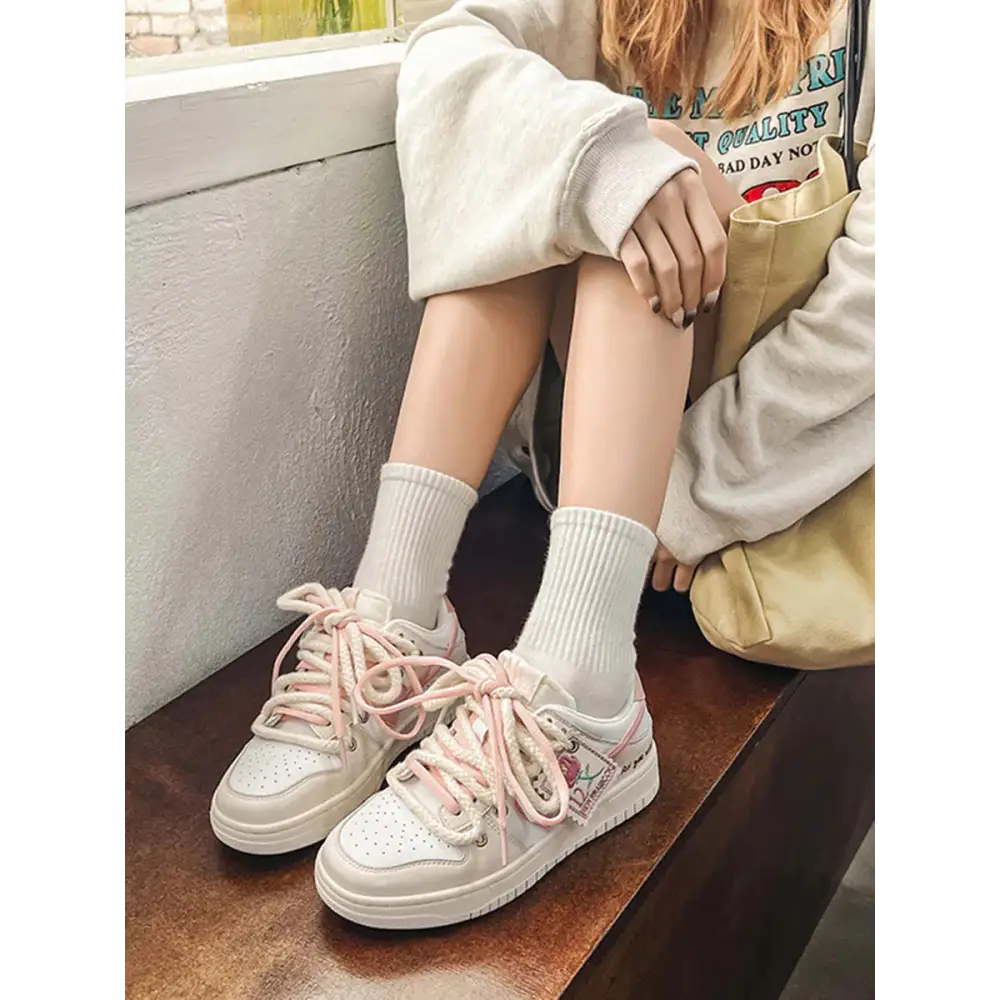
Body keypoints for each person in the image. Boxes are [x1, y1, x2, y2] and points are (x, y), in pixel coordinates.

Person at [211, 0, 879, 929]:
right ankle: (397, 614)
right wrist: (600, 160)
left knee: (659, 168)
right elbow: (446, 49)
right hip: (601, 484)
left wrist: (693, 488)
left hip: (772, 486)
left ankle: (588, 704)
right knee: (579, 150)